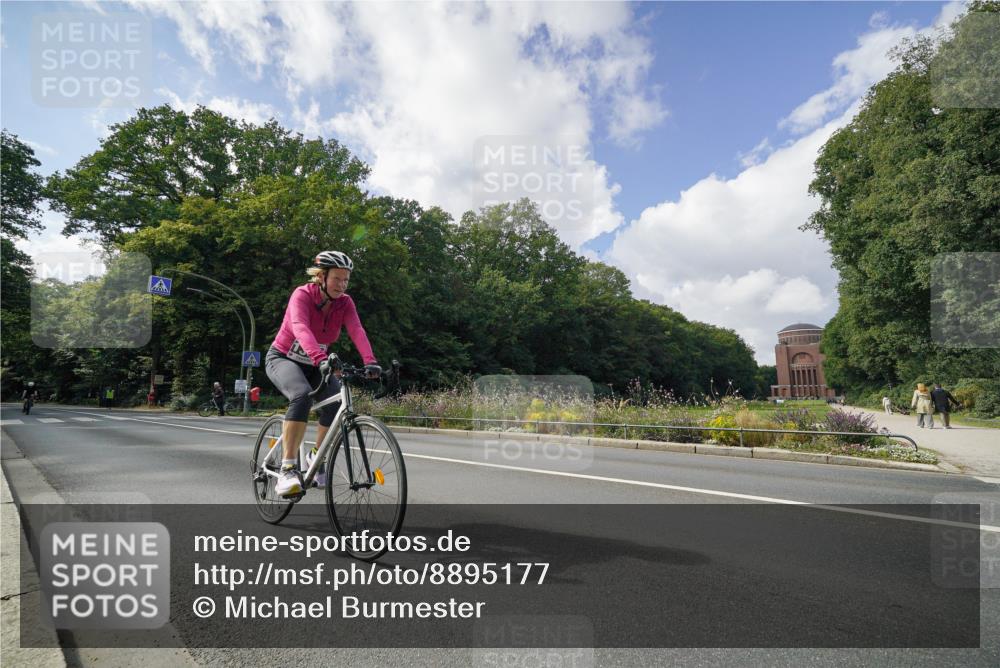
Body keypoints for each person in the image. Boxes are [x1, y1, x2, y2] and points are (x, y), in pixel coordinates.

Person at [265, 251, 381, 497]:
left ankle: (316, 457)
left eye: (346, 280)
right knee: (302, 396)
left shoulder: (345, 303)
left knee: (335, 404)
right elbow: (300, 327)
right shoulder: (302, 295)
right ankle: (288, 469)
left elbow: (356, 329)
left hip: (317, 365)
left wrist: (370, 361)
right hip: (283, 358)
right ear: (321, 277)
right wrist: (319, 358)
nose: (342, 285)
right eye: (337, 278)